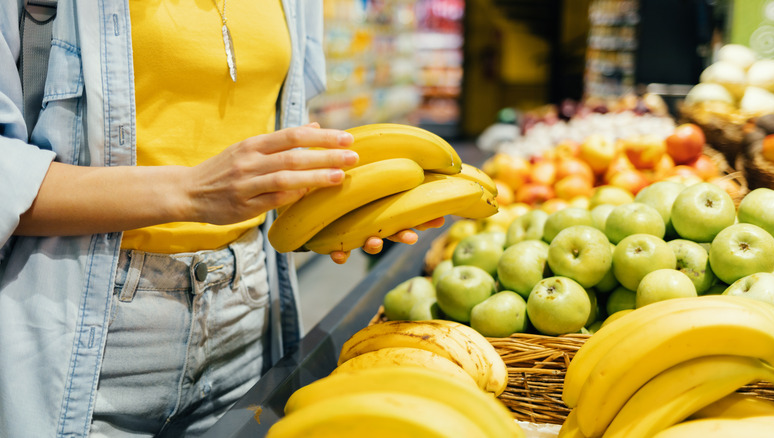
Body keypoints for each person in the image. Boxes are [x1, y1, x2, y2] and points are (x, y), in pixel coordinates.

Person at [0, 1, 442, 437]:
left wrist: (336, 207)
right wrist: (190, 191)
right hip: (85, 327)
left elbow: (281, 118)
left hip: (249, 306)